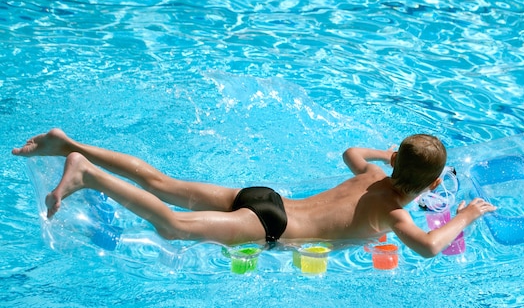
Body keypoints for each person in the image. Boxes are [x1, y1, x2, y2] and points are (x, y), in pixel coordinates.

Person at [12, 128, 496, 258]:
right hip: (272, 228)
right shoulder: (393, 214)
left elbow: (352, 151)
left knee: (162, 183)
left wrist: (387, 153)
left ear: (392, 161)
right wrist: (467, 214)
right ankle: (84, 173)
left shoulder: (370, 173)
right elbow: (431, 247)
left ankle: (72, 144)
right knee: (173, 225)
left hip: (268, 197)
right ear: (433, 185)